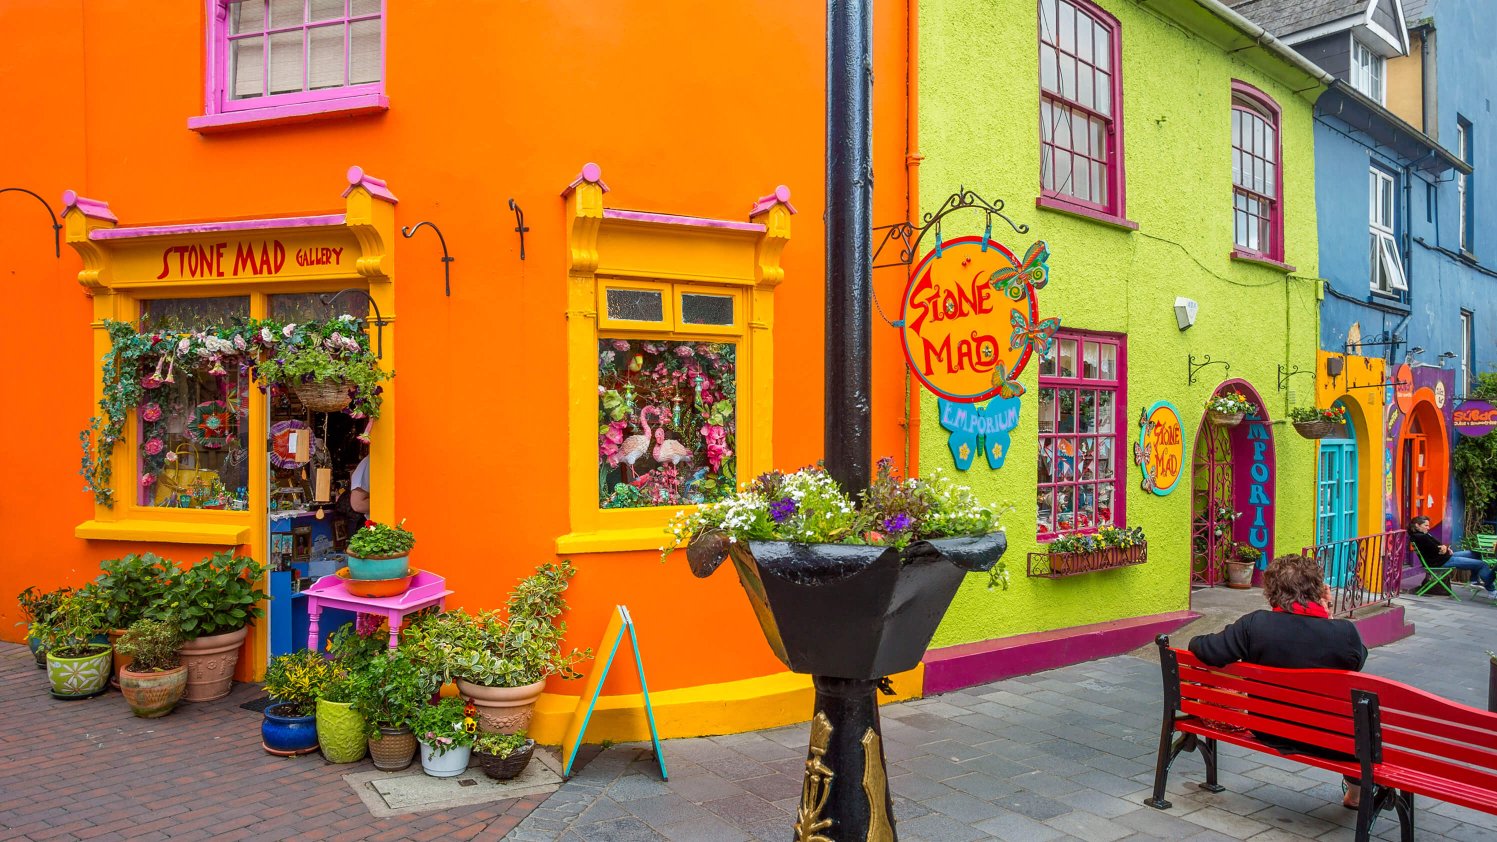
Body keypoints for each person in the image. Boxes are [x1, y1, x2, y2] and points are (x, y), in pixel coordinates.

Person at [1188, 554, 1367, 809]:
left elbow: (1209, 649)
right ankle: (1356, 794)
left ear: (1272, 590)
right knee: (1360, 731)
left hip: (1270, 730)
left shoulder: (1255, 624)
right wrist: (1325, 616)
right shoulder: (1344, 632)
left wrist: (1196, 639)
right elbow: (1357, 660)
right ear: (1319, 590)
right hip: (1333, 742)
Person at [1408, 515, 1497, 600]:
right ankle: (1491, 590)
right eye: (1425, 525)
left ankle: (1473, 580)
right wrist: (1445, 549)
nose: (1428, 527)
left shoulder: (1421, 534)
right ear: (1417, 525)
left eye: (1428, 525)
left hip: (1443, 557)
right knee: (1482, 564)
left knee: (1475, 554)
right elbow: (1437, 549)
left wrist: (1446, 548)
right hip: (1442, 561)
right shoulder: (1421, 537)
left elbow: (1438, 546)